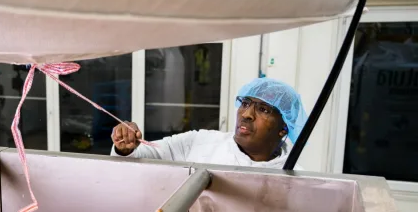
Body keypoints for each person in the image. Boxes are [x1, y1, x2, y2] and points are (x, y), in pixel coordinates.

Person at [110, 78, 308, 169]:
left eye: (263, 109)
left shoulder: (295, 177)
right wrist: (126, 148)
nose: (247, 114)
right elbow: (148, 156)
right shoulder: (200, 141)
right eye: (245, 103)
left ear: (284, 128)